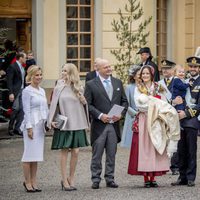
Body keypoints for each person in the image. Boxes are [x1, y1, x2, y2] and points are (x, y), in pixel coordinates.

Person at [128, 65, 180, 188]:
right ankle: (146, 177)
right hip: (144, 120)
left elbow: (166, 101)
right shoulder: (138, 88)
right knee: (145, 148)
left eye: (147, 73)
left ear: (151, 74)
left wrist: (168, 103)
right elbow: (139, 105)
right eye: (143, 74)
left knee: (156, 146)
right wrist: (156, 104)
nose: (145, 76)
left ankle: (153, 177)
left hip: (157, 120)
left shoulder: (159, 87)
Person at [84, 59, 128, 189]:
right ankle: (96, 179)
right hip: (99, 125)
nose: (109, 69)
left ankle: (110, 178)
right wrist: (100, 115)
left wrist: (121, 114)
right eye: (106, 67)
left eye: (110, 66)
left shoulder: (117, 82)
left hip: (114, 125)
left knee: (111, 154)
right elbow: (87, 104)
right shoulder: (91, 84)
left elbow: (124, 102)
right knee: (97, 154)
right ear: (98, 69)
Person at [48, 63, 89, 191]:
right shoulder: (58, 86)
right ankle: (64, 179)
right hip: (65, 123)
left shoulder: (78, 87)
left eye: (65, 71)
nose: (63, 73)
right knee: (64, 151)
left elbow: (83, 105)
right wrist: (50, 121)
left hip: (77, 122)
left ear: (71, 72)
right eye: (62, 70)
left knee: (76, 151)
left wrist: (84, 101)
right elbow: (54, 105)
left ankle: (72, 178)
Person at [171, 56, 200, 187]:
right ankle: (182, 177)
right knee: (180, 150)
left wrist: (186, 114)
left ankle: (190, 177)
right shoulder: (183, 81)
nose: (192, 69)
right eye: (191, 66)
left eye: (195, 67)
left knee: (191, 150)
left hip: (192, 121)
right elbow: (174, 97)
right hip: (179, 121)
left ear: (199, 68)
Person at [21, 65, 48, 192]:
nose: (39, 77)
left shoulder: (42, 90)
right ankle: (27, 182)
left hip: (40, 126)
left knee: (36, 156)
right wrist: (29, 127)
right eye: (36, 75)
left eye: (40, 75)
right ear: (31, 76)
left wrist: (49, 122)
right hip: (31, 125)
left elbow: (45, 109)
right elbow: (26, 111)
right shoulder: (27, 91)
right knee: (28, 155)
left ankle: (34, 181)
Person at [158, 59, 179, 175]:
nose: (165, 71)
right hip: (164, 114)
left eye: (167, 69)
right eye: (163, 69)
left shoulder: (178, 81)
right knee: (164, 139)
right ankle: (164, 165)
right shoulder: (159, 83)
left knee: (175, 139)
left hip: (176, 114)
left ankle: (175, 166)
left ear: (172, 70)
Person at [121, 65, 141, 148]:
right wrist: (136, 114)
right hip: (133, 117)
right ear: (134, 76)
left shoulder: (146, 86)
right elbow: (126, 104)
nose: (141, 76)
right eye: (139, 74)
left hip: (146, 117)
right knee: (134, 143)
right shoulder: (129, 87)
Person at [7, 52, 26, 136]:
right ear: (21, 58)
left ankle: (17, 128)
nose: (26, 59)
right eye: (25, 58)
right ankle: (10, 128)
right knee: (15, 108)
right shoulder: (12, 66)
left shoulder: (22, 67)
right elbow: (9, 81)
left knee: (22, 109)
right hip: (15, 91)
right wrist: (11, 93)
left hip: (22, 90)